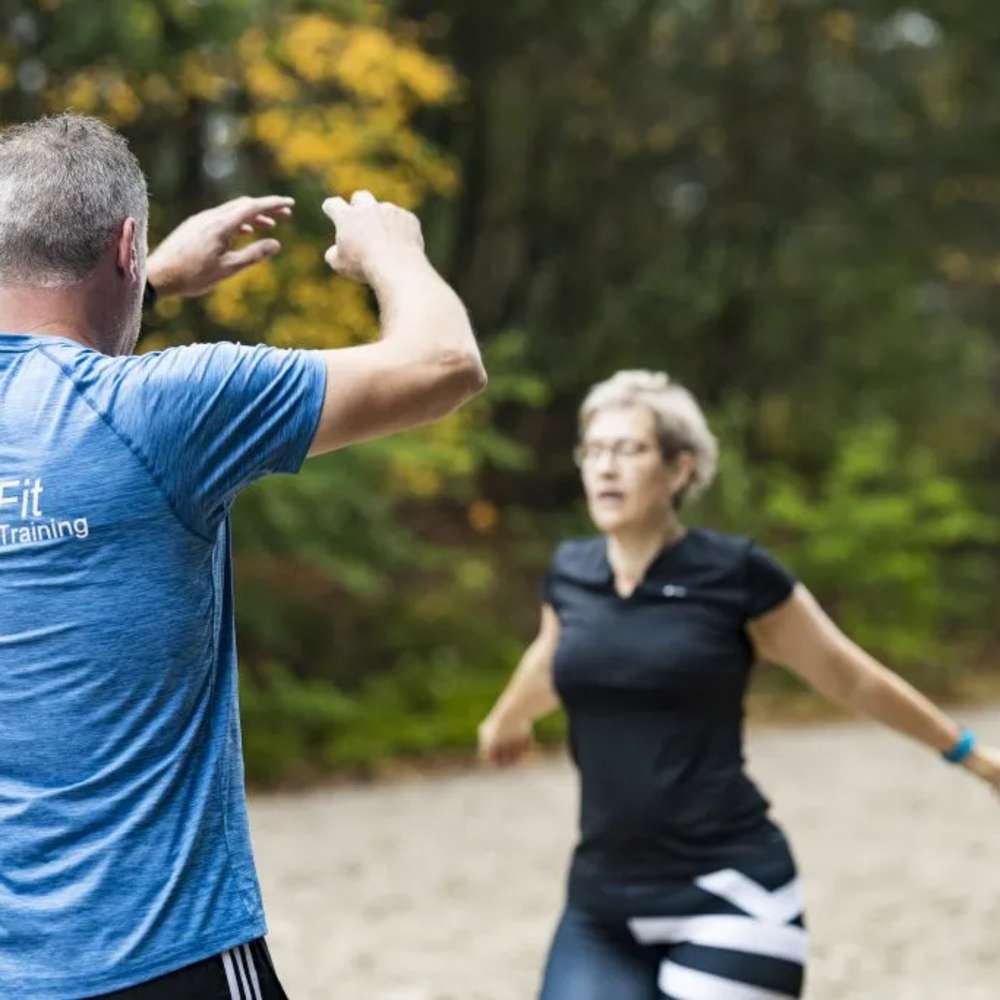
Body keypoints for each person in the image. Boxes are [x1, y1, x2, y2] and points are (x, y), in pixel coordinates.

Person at [0, 113, 485, 999]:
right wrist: (392, 252)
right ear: (126, 245)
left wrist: (149, 285)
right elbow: (444, 363)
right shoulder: (164, 410)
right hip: (164, 956)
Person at [478, 369, 1000, 1000]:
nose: (606, 467)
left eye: (630, 449)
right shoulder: (572, 572)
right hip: (603, 903)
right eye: (594, 450)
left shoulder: (736, 574)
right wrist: (506, 717)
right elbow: (553, 656)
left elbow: (850, 676)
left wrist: (969, 754)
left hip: (731, 890)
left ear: (680, 469)